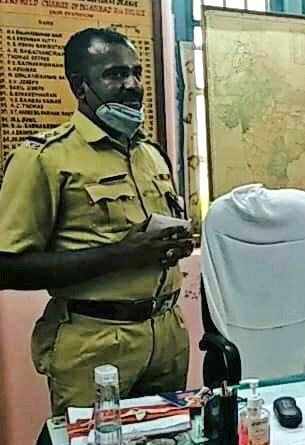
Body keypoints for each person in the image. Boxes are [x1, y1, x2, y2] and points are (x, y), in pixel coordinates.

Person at [0, 28, 194, 415]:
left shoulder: (151, 154)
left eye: (136, 72)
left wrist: (172, 246)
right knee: (94, 439)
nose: (132, 85)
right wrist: (121, 254)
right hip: (95, 345)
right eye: (115, 74)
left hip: (167, 335)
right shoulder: (44, 159)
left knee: (168, 437)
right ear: (80, 86)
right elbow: (8, 267)